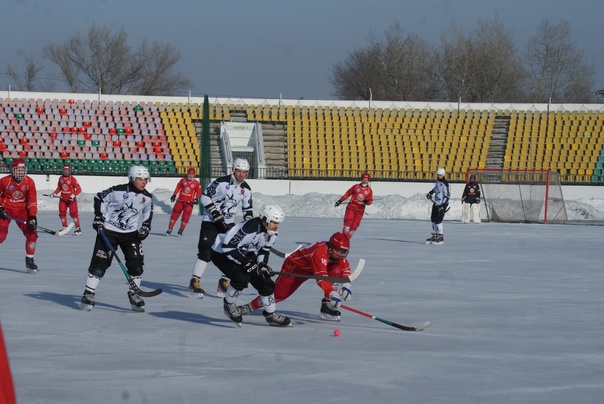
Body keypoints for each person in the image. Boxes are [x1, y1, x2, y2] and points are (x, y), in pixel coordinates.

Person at [79, 165, 154, 312]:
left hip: (131, 234)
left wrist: (146, 226)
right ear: (132, 178)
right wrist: (99, 218)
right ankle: (88, 293)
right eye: (140, 179)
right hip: (109, 232)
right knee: (100, 264)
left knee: (136, 265)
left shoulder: (148, 198)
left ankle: (134, 294)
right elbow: (99, 198)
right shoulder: (117, 191)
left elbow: (148, 212)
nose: (144, 182)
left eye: (146, 179)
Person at [238, 232, 352, 322]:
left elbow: (345, 268)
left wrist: (346, 284)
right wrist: (333, 293)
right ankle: (249, 307)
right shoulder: (320, 252)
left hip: (312, 269)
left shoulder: (336, 255)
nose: (340, 254)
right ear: (331, 247)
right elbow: (321, 277)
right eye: (338, 250)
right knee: (278, 294)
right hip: (295, 268)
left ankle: (327, 305)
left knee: (337, 269)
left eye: (343, 252)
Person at [211, 204, 289, 327]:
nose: (277, 226)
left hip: (245, 253)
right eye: (274, 222)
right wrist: (246, 263)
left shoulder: (272, 233)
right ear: (265, 219)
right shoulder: (250, 228)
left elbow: (264, 251)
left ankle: (270, 314)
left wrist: (262, 265)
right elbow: (228, 247)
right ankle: (229, 305)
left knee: (266, 283)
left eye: (278, 223)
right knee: (241, 278)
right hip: (221, 253)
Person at [188, 158, 253, 298]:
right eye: (239, 171)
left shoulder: (246, 189)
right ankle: (195, 281)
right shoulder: (221, 182)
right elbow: (204, 197)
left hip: (228, 224)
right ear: (233, 170)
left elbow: (248, 210)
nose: (241, 175)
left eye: (244, 172)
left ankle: (224, 281)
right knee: (205, 251)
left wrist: (249, 225)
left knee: (232, 252)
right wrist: (215, 212)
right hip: (210, 221)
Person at [0, 159, 39, 273]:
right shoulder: (5, 181)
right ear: (13, 170)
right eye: (17, 170)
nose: (20, 172)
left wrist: (32, 216)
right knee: (1, 234)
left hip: (22, 211)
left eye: (22, 170)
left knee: (32, 234)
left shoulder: (29, 182)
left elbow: (32, 201)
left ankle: (30, 260)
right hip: (6, 210)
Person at [334, 172, 373, 238]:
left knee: (354, 226)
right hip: (351, 207)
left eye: (366, 180)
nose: (365, 181)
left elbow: (370, 201)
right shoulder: (356, 187)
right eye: (364, 179)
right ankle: (343, 238)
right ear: (361, 179)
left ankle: (346, 240)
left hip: (360, 210)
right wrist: (340, 201)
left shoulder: (369, 190)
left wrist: (367, 202)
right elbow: (347, 194)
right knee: (348, 223)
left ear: (368, 180)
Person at [166, 167, 201, 236]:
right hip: (180, 201)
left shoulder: (196, 183)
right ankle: (170, 228)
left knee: (186, 216)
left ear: (194, 175)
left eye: (192, 174)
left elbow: (198, 192)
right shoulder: (183, 180)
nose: (190, 176)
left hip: (189, 203)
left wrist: (196, 198)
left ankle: (181, 229)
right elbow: (178, 187)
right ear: (187, 174)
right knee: (175, 214)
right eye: (189, 174)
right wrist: (174, 195)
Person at [52, 163, 83, 235]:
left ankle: (78, 228)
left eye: (67, 170)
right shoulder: (61, 178)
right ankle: (64, 227)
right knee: (62, 213)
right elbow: (59, 188)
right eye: (65, 170)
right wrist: (54, 194)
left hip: (71, 200)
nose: (66, 172)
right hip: (63, 199)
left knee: (74, 213)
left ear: (70, 170)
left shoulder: (72, 179)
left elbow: (79, 189)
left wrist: (73, 195)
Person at [426, 168, 451, 244]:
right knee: (433, 219)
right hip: (436, 203)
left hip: (442, 204)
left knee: (438, 220)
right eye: (438, 174)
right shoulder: (437, 181)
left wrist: (443, 205)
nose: (438, 176)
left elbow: (447, 196)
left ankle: (440, 236)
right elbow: (436, 188)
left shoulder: (445, 184)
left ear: (443, 175)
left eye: (440, 175)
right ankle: (434, 235)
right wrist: (430, 192)